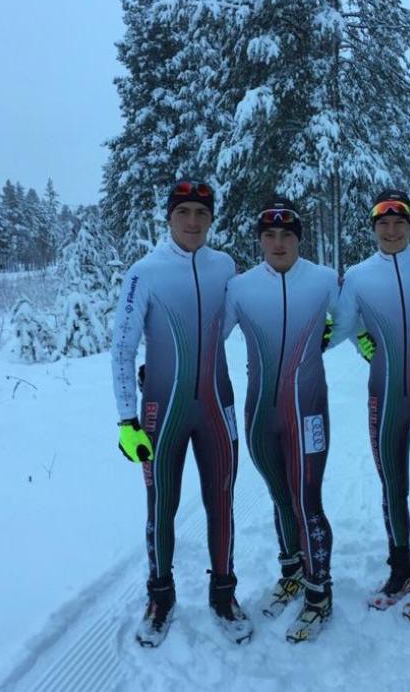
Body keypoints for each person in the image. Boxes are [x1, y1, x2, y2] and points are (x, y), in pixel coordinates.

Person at [111, 180, 252, 647]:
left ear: (211, 219)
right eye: (184, 212)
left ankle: (224, 594)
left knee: (222, 501)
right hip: (162, 411)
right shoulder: (145, 272)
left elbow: (231, 321)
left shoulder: (224, 266)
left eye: (201, 213)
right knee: (162, 506)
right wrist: (127, 421)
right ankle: (160, 597)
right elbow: (122, 348)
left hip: (216, 405)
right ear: (169, 217)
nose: (193, 222)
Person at [330, 190, 410, 622]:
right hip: (385, 397)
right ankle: (401, 571)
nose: (391, 229)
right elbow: (342, 326)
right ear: (374, 228)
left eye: (399, 221)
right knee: (393, 488)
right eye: (382, 222)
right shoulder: (358, 276)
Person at [223, 199, 339, 643]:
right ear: (260, 241)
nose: (278, 243)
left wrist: (327, 338)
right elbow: (212, 338)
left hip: (308, 412)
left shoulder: (323, 280)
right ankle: (292, 570)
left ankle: (319, 591)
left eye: (286, 235)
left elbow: (349, 321)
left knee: (307, 500)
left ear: (298, 240)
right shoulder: (241, 288)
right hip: (260, 415)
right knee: (280, 497)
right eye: (269, 235)